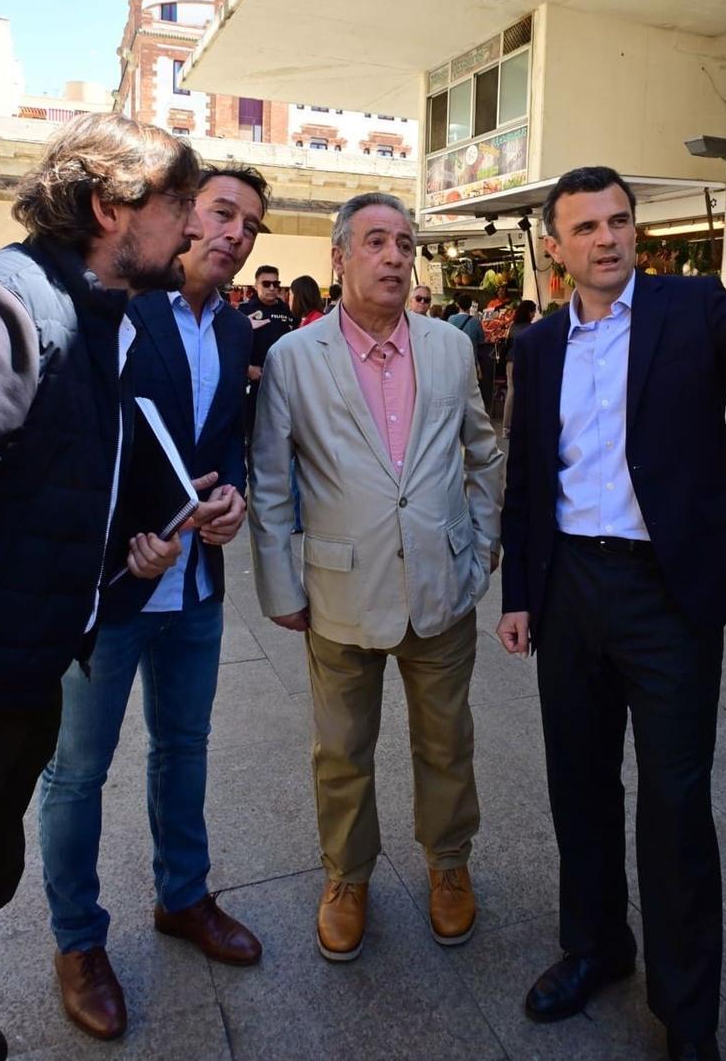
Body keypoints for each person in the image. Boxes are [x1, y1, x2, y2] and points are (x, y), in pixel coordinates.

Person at [496, 166, 726, 1061]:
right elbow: (528, 476)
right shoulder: (536, 346)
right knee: (576, 783)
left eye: (618, 221)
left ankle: (688, 1016)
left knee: (674, 800)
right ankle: (595, 949)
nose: (606, 238)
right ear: (556, 246)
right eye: (585, 228)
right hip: (570, 585)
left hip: (667, 593)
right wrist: (519, 595)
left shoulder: (692, 307)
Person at [0, 113, 202, 1061]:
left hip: (25, 667)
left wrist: (125, 564)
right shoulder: (10, 306)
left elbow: (58, 495)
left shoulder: (102, 318)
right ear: (112, 206)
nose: (193, 228)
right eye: (180, 205)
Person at [38, 164, 268, 1041]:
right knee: (77, 772)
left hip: (197, 588)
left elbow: (221, 444)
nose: (231, 234)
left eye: (247, 223)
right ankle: (78, 943)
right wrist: (128, 537)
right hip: (113, 586)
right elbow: (85, 439)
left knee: (184, 747)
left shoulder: (241, 331)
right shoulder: (120, 309)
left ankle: (183, 897)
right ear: (180, 217)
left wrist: (235, 497)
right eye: (217, 213)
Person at [249, 192, 504, 964]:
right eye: (375, 242)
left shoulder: (449, 347)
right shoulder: (296, 357)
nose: (394, 256)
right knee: (340, 751)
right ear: (339, 257)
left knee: (446, 742)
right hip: (338, 592)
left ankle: (448, 866)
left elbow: (482, 451)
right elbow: (269, 481)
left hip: (440, 585)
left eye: (404, 242)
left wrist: (481, 548)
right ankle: (347, 877)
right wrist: (281, 590)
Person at [239, 264, 296, 437]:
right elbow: (232, 348)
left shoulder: (286, 310)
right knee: (255, 433)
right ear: (256, 285)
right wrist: (248, 369)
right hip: (255, 385)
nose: (272, 288)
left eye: (276, 284)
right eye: (266, 284)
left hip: (283, 384)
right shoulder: (244, 311)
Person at [501, 299, 536, 438]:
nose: (534, 315)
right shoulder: (532, 328)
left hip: (510, 361)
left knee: (511, 392)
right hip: (526, 361)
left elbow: (507, 343)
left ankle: (506, 427)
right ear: (529, 312)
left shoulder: (512, 326)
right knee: (527, 392)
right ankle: (523, 425)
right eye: (533, 311)